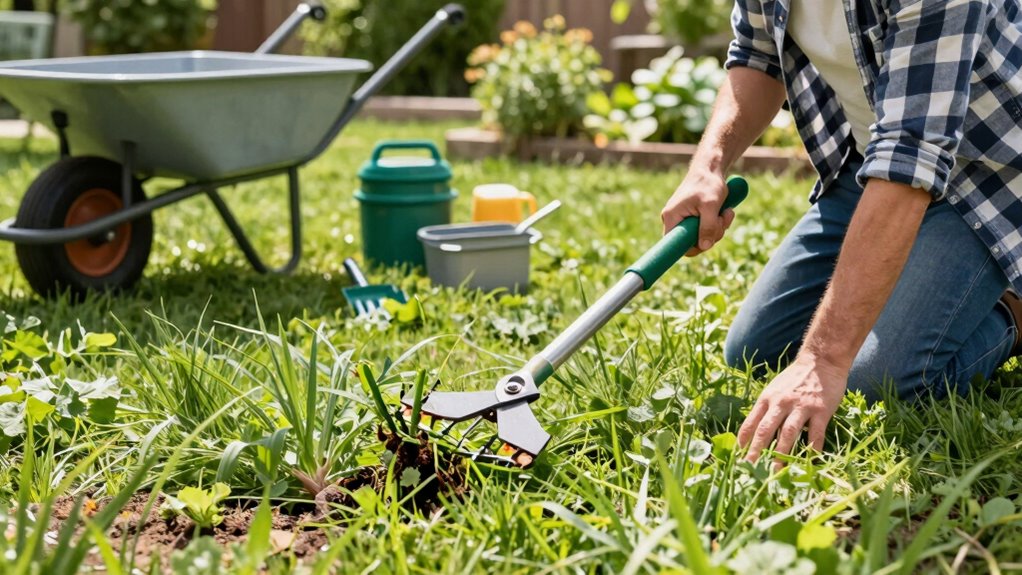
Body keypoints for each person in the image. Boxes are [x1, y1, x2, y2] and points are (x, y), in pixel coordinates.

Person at [659, 0, 1022, 464]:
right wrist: (708, 166)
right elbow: (757, 54)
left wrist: (822, 360)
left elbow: (910, 153)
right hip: (870, 164)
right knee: (756, 350)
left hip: (988, 172)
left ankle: (1011, 314)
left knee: (876, 385)